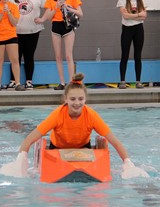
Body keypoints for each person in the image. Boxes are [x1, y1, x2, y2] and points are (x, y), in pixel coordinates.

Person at [19, 72, 149, 179]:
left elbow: (115, 142)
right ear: (66, 99)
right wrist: (21, 159)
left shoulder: (91, 115)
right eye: (73, 99)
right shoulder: (57, 115)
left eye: (80, 99)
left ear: (85, 99)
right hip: (56, 149)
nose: (77, 103)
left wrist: (128, 163)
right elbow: (30, 139)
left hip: (84, 150)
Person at [35, 0, 83, 90]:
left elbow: (80, 13)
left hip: (67, 27)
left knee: (68, 55)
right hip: (56, 27)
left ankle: (72, 82)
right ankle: (62, 82)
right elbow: (48, 16)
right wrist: (56, 6)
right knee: (58, 56)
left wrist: (68, 7)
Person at [7, 0, 47, 90]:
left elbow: (50, 7)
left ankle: (29, 81)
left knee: (29, 57)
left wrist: (43, 19)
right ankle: (14, 80)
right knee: (15, 57)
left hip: (32, 32)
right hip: (16, 33)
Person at [0, 0, 25, 91]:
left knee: (14, 60)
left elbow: (14, 23)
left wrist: (8, 12)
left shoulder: (14, 6)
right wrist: (2, 12)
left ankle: (18, 83)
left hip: (11, 36)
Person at [117, 0, 147, 89]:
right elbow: (125, 16)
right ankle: (122, 81)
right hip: (127, 30)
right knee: (124, 55)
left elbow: (144, 17)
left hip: (139, 29)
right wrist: (139, 14)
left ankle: (138, 81)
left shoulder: (141, 1)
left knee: (137, 56)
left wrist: (132, 16)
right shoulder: (123, 0)